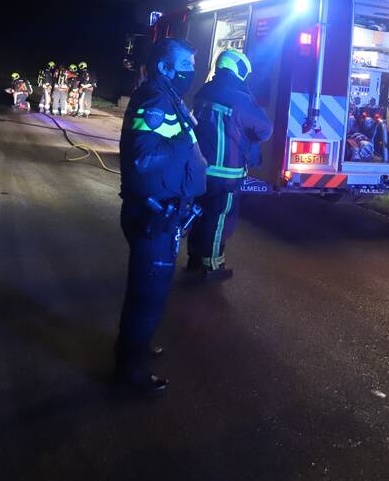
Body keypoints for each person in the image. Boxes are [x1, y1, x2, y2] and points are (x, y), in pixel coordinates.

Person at [115, 38, 207, 394]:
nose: (191, 71)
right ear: (165, 67)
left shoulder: (167, 94)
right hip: (153, 213)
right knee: (147, 296)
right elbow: (143, 157)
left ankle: (136, 345)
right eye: (185, 64)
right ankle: (130, 371)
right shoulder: (155, 98)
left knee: (152, 292)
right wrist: (187, 142)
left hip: (165, 212)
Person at [187, 49, 272, 280]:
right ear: (238, 69)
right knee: (219, 219)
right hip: (226, 172)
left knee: (200, 214)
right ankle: (212, 266)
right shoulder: (239, 98)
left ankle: (194, 259)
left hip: (201, 168)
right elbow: (265, 130)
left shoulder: (206, 90)